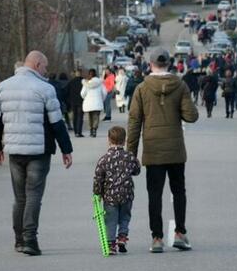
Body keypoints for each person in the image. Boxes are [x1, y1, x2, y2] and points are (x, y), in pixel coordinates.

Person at [0, 50, 73, 256]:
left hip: (14, 150)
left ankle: (18, 240)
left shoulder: (2, 88)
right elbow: (56, 122)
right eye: (45, 66)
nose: (46, 70)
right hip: (38, 150)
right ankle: (30, 239)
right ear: (36, 64)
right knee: (33, 195)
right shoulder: (45, 89)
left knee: (20, 198)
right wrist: (66, 149)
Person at [127, 46, 198, 253]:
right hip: (175, 150)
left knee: (154, 195)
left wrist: (130, 154)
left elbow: (134, 123)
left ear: (150, 64)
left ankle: (157, 238)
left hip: (153, 149)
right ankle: (180, 233)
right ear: (168, 63)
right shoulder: (180, 85)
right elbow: (191, 116)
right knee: (179, 192)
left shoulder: (142, 88)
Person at [92, 125, 140, 255]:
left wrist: (97, 193)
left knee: (111, 220)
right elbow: (137, 170)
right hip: (127, 194)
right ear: (124, 141)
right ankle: (122, 238)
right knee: (125, 217)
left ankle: (111, 244)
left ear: (109, 140)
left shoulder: (104, 159)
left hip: (110, 196)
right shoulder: (129, 156)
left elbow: (98, 177)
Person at [80, 68, 107, 138]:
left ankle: (91, 130)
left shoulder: (86, 83)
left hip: (88, 103)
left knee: (89, 117)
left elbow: (82, 93)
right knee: (96, 117)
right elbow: (104, 92)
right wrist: (102, 99)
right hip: (97, 102)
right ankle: (95, 128)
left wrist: (85, 98)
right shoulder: (100, 83)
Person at [67, 68, 85, 137]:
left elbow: (67, 91)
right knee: (80, 117)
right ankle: (79, 132)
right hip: (81, 101)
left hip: (73, 101)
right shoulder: (83, 82)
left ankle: (75, 132)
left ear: (75, 74)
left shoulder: (71, 82)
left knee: (75, 116)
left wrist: (68, 100)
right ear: (81, 73)